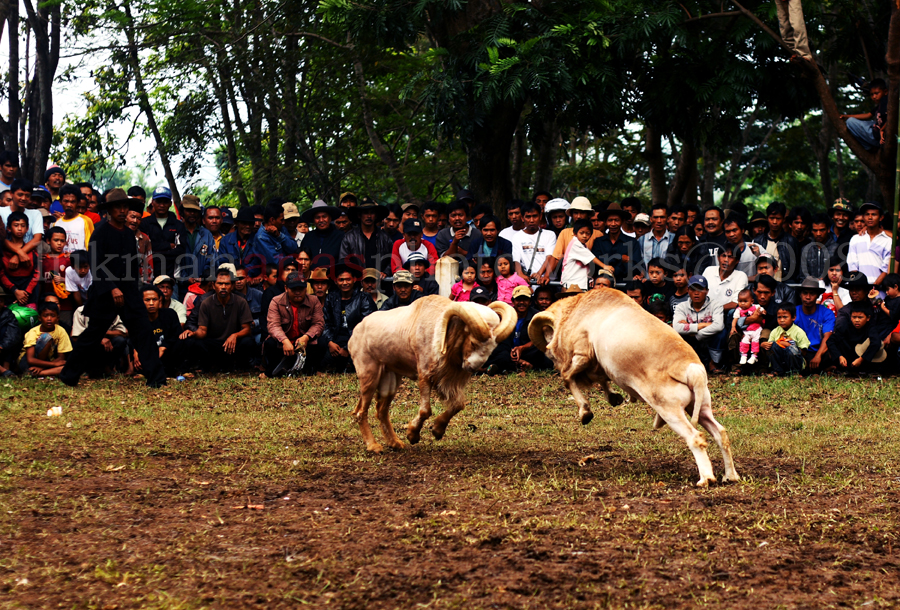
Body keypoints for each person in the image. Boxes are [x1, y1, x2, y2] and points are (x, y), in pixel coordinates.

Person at [59, 189, 167, 387]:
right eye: (118, 207)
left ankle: (156, 379)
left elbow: (132, 266)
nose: (122, 210)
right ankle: (68, 375)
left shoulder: (128, 234)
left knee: (143, 331)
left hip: (129, 293)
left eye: (125, 206)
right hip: (104, 293)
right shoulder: (100, 232)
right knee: (92, 336)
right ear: (109, 209)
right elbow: (96, 263)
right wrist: (112, 288)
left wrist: (134, 291)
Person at [182, 267, 256, 372]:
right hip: (214, 343)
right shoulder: (206, 302)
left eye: (227, 284)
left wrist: (235, 335)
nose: (223, 287)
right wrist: (193, 333)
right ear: (213, 285)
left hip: (233, 344)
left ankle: (241, 367)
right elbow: (203, 331)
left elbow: (247, 329)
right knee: (195, 342)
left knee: (248, 341)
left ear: (232, 286)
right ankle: (207, 367)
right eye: (220, 284)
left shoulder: (241, 301)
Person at [263, 273, 325, 378]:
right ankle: (272, 370)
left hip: (304, 344)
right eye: (293, 289)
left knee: (322, 341)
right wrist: (284, 340)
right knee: (270, 343)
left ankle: (312, 369)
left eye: (300, 289)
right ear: (286, 288)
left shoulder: (314, 301)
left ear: (306, 289)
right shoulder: (276, 301)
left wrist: (306, 337)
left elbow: (318, 323)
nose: (297, 292)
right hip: (283, 344)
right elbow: (273, 325)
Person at [484, 285, 551, 374]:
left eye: (525, 299)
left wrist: (522, 348)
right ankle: (521, 364)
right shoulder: (505, 315)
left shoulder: (537, 316)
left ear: (530, 301)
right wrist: (513, 352)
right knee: (498, 352)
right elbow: (501, 340)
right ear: (513, 301)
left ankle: (515, 366)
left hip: (527, 352)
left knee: (544, 351)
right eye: (518, 299)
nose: (522, 302)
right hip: (509, 352)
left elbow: (541, 339)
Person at [321, 264, 375, 372]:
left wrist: (348, 348)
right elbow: (326, 323)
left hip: (357, 342)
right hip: (335, 342)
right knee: (322, 369)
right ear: (336, 281)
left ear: (354, 280)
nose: (345, 283)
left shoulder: (364, 298)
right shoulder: (331, 298)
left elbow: (367, 326)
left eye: (348, 279)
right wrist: (330, 342)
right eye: (341, 280)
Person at [539, 196, 602, 284]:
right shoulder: (565, 233)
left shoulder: (598, 234)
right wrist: (546, 275)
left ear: (588, 214)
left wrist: (594, 278)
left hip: (588, 281)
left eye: (582, 213)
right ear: (571, 215)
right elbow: (556, 257)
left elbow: (598, 260)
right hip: (569, 280)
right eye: (575, 213)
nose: (578, 216)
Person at [673, 275, 724, 367]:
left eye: (700, 289)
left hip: (708, 340)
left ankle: (714, 363)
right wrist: (702, 325)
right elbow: (677, 327)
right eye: (693, 289)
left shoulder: (716, 305)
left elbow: (719, 325)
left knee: (722, 333)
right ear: (688, 291)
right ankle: (685, 363)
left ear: (707, 291)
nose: (696, 293)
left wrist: (696, 333)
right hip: (690, 342)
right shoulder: (681, 306)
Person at [140, 186, 187, 279]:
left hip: (172, 276)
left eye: (165, 202)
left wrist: (155, 252)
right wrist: (169, 246)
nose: (162, 205)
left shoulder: (178, 225)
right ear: (153, 202)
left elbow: (180, 250)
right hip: (150, 276)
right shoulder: (144, 223)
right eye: (158, 201)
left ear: (170, 203)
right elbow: (143, 248)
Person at [138, 285, 184, 378]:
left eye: (154, 299)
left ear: (160, 300)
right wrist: (135, 351)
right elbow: (134, 337)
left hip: (167, 353)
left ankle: (181, 370)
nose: (151, 303)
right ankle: (141, 371)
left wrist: (163, 347)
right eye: (147, 300)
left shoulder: (169, 314)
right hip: (147, 353)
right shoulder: (138, 318)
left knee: (184, 340)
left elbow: (176, 334)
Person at [70, 304, 129, 377]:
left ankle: (108, 368)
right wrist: (98, 339)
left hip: (107, 343)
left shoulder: (113, 310)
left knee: (119, 341)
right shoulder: (81, 311)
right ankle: (87, 369)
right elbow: (75, 337)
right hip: (89, 345)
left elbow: (123, 333)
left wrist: (102, 333)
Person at [847, 201, 891, 297]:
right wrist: (859, 288)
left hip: (879, 291)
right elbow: (853, 267)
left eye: (874, 214)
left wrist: (873, 288)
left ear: (881, 217)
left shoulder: (888, 241)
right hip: (858, 292)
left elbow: (886, 270)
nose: (870, 217)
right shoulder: (855, 239)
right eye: (867, 214)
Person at [340, 200, 394, 274]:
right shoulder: (349, 237)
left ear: (376, 215)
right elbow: (344, 260)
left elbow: (393, 259)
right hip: (358, 282)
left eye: (372, 213)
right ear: (359, 215)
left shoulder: (385, 238)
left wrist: (385, 272)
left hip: (380, 282)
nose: (369, 216)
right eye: (365, 213)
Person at [18, 301, 70, 376]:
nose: (49, 319)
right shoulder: (33, 332)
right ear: (39, 318)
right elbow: (30, 359)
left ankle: (38, 373)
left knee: (67, 367)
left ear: (57, 318)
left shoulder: (61, 330)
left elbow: (61, 357)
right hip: (27, 362)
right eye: (45, 316)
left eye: (52, 316)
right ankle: (37, 371)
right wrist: (53, 364)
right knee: (46, 337)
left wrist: (43, 366)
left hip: (47, 362)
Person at [793, 277, 834, 372]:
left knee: (834, 347)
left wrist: (818, 356)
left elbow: (827, 337)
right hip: (801, 351)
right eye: (805, 293)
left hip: (820, 350)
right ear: (800, 295)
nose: (808, 297)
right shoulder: (794, 312)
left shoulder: (826, 313)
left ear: (818, 295)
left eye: (812, 293)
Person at [177, 195, 218, 288]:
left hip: (203, 286)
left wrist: (203, 278)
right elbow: (173, 261)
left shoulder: (206, 234)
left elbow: (213, 260)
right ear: (182, 212)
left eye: (195, 211)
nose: (192, 213)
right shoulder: (176, 232)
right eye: (188, 210)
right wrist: (185, 278)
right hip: (181, 287)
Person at [753, 202, 800, 282]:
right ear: (767, 218)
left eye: (778, 218)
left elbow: (797, 269)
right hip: (763, 287)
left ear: (783, 219)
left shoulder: (791, 241)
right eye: (772, 218)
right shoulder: (758, 241)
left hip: (783, 288)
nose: (774, 222)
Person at [2, 180, 44, 266]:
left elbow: (37, 238)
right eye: (20, 194)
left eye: (27, 196)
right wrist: (20, 252)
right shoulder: (1, 212)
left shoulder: (35, 214)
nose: (24, 198)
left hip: (27, 260)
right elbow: (1, 239)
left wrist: (19, 255)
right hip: (4, 258)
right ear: (11, 193)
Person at [511, 201, 556, 281]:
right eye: (528, 217)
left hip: (544, 279)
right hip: (525, 280)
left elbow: (549, 257)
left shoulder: (549, 235)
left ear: (540, 216)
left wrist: (539, 274)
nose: (531, 220)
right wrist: (520, 274)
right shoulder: (517, 236)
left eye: (534, 216)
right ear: (522, 218)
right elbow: (516, 260)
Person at [1, 211, 39, 307]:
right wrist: (15, 290)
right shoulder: (3, 251)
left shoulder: (32, 251)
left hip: (28, 295)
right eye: (16, 225)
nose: (19, 229)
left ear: (27, 229)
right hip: (8, 292)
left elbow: (37, 274)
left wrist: (26, 293)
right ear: (9, 228)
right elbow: (1, 273)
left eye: (22, 226)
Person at [591, 203, 635, 281]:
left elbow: (634, 264)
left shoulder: (632, 242)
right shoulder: (598, 242)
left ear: (622, 221)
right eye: (610, 220)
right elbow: (595, 262)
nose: (613, 224)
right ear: (605, 222)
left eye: (617, 220)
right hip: (603, 285)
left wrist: (614, 268)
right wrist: (620, 258)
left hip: (625, 284)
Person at [762, 304, 810, 376]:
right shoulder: (775, 331)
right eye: (779, 317)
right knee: (773, 345)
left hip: (794, 361)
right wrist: (765, 345)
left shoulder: (799, 332)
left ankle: (795, 372)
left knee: (792, 349)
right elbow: (770, 346)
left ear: (793, 317)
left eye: (785, 317)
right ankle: (777, 370)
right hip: (780, 360)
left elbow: (804, 352)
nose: (782, 320)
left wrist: (789, 346)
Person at [840, 79, 887, 151]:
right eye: (872, 94)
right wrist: (846, 116)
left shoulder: (885, 102)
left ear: (885, 92)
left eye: (877, 93)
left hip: (880, 137)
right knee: (870, 122)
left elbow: (892, 120)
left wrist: (882, 130)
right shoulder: (879, 106)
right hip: (877, 129)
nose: (874, 97)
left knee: (850, 122)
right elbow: (868, 115)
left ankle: (868, 147)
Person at [561, 219, 606, 291]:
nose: (584, 236)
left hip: (578, 284)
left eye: (588, 233)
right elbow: (591, 258)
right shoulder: (575, 244)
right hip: (571, 285)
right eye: (581, 233)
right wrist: (605, 266)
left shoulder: (583, 246)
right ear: (575, 233)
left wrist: (589, 279)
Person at [298, 200, 344, 270]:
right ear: (313, 220)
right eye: (317, 217)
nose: (321, 220)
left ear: (330, 218)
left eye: (324, 216)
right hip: (312, 278)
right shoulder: (308, 237)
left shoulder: (340, 236)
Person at [219, 207, 263, 280]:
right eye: (244, 223)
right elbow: (223, 262)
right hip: (230, 280)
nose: (248, 226)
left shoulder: (258, 240)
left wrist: (245, 275)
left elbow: (257, 263)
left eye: (250, 223)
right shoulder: (225, 241)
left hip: (250, 279)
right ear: (236, 223)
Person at [53, 185, 94, 254]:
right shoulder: (57, 223)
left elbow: (91, 246)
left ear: (78, 202)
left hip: (79, 263)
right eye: (66, 201)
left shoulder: (85, 221)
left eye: (72, 202)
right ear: (60, 201)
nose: (69, 205)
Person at [801, 212, 839, 281]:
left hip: (830, 288)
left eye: (822, 230)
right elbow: (801, 275)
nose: (818, 234)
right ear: (811, 231)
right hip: (810, 289)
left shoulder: (836, 248)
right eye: (815, 230)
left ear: (828, 229)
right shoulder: (806, 250)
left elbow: (839, 273)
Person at [731, 289, 762, 366]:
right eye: (740, 301)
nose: (743, 303)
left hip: (756, 329)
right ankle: (743, 355)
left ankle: (754, 356)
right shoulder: (738, 310)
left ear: (751, 301)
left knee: (755, 341)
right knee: (744, 342)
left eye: (745, 301)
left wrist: (763, 311)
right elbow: (735, 319)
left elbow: (762, 310)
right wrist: (733, 327)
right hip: (746, 330)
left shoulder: (756, 306)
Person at [0, 297, 20, 376]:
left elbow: (13, 334)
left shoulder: (8, 314)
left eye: (0, 300)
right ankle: (4, 371)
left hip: (2, 349)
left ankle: (6, 367)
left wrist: (2, 346)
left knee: (5, 332)